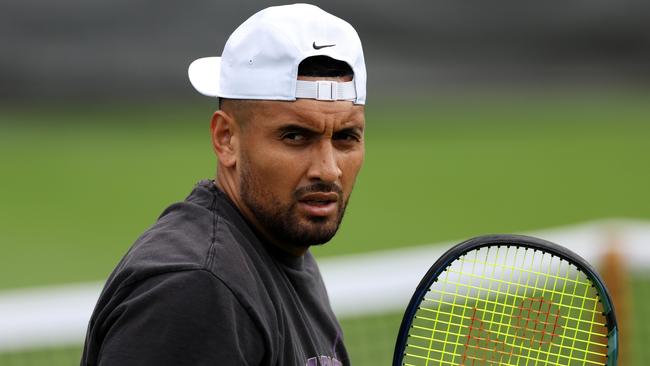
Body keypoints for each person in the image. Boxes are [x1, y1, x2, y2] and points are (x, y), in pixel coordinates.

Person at [80, 4, 367, 366]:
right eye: (295, 136)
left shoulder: (284, 250)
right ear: (226, 138)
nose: (328, 170)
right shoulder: (196, 290)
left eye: (346, 137)